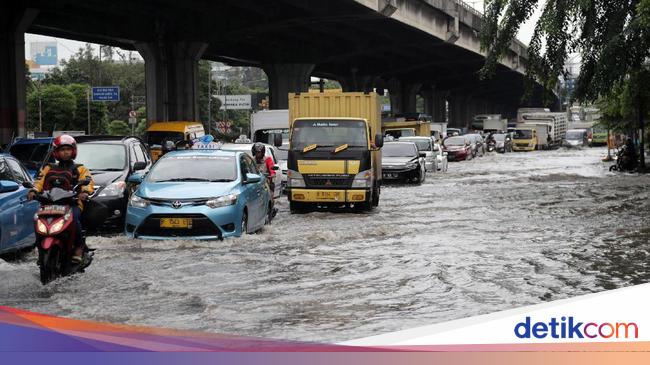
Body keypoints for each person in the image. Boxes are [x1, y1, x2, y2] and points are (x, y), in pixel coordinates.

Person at [28, 135, 94, 264]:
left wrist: (84, 192)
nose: (65, 152)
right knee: (36, 220)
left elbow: (88, 182)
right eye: (62, 149)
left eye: (68, 149)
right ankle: (40, 249)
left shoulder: (80, 168)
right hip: (49, 204)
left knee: (75, 219)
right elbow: (39, 182)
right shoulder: (48, 168)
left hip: (72, 203)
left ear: (73, 151)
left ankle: (79, 248)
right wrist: (33, 191)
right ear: (56, 152)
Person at [251, 142, 278, 218]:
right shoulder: (251, 161)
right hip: (255, 182)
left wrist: (272, 174)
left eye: (259, 152)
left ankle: (271, 209)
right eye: (256, 152)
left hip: (266, 182)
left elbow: (272, 169)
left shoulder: (268, 160)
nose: (258, 154)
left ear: (262, 152)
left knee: (270, 194)